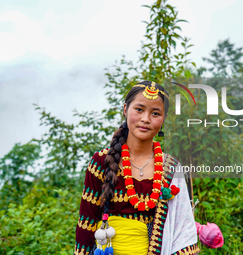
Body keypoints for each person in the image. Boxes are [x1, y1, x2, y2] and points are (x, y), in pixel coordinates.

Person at [75, 81, 200, 255]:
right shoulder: (101, 162)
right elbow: (86, 225)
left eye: (155, 113)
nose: (145, 119)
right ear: (125, 109)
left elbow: (183, 233)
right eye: (139, 109)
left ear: (164, 119)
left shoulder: (171, 168)